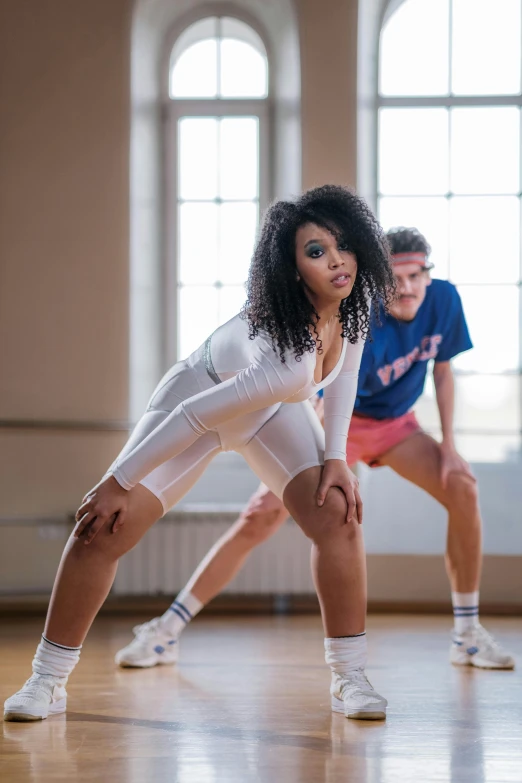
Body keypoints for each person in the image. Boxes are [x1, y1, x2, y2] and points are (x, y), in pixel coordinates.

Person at [4, 185, 395, 723]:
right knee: (101, 527)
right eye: (315, 251)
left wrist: (335, 459)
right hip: (194, 400)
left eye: (343, 245)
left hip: (269, 411)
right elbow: (192, 418)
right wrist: (120, 479)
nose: (336, 261)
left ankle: (350, 677)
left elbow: (345, 376)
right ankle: (46, 681)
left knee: (338, 513)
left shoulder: (351, 306)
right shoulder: (284, 354)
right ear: (292, 266)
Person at [115, 227, 514, 674]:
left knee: (461, 485)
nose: (406, 287)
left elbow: (442, 371)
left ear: (428, 274)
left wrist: (450, 446)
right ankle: (166, 630)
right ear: (381, 278)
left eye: (416, 275)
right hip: (335, 420)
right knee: (259, 517)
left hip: (397, 426)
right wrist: (320, 456)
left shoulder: (444, 300)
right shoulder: (360, 308)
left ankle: (467, 636)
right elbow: (322, 387)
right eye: (396, 277)